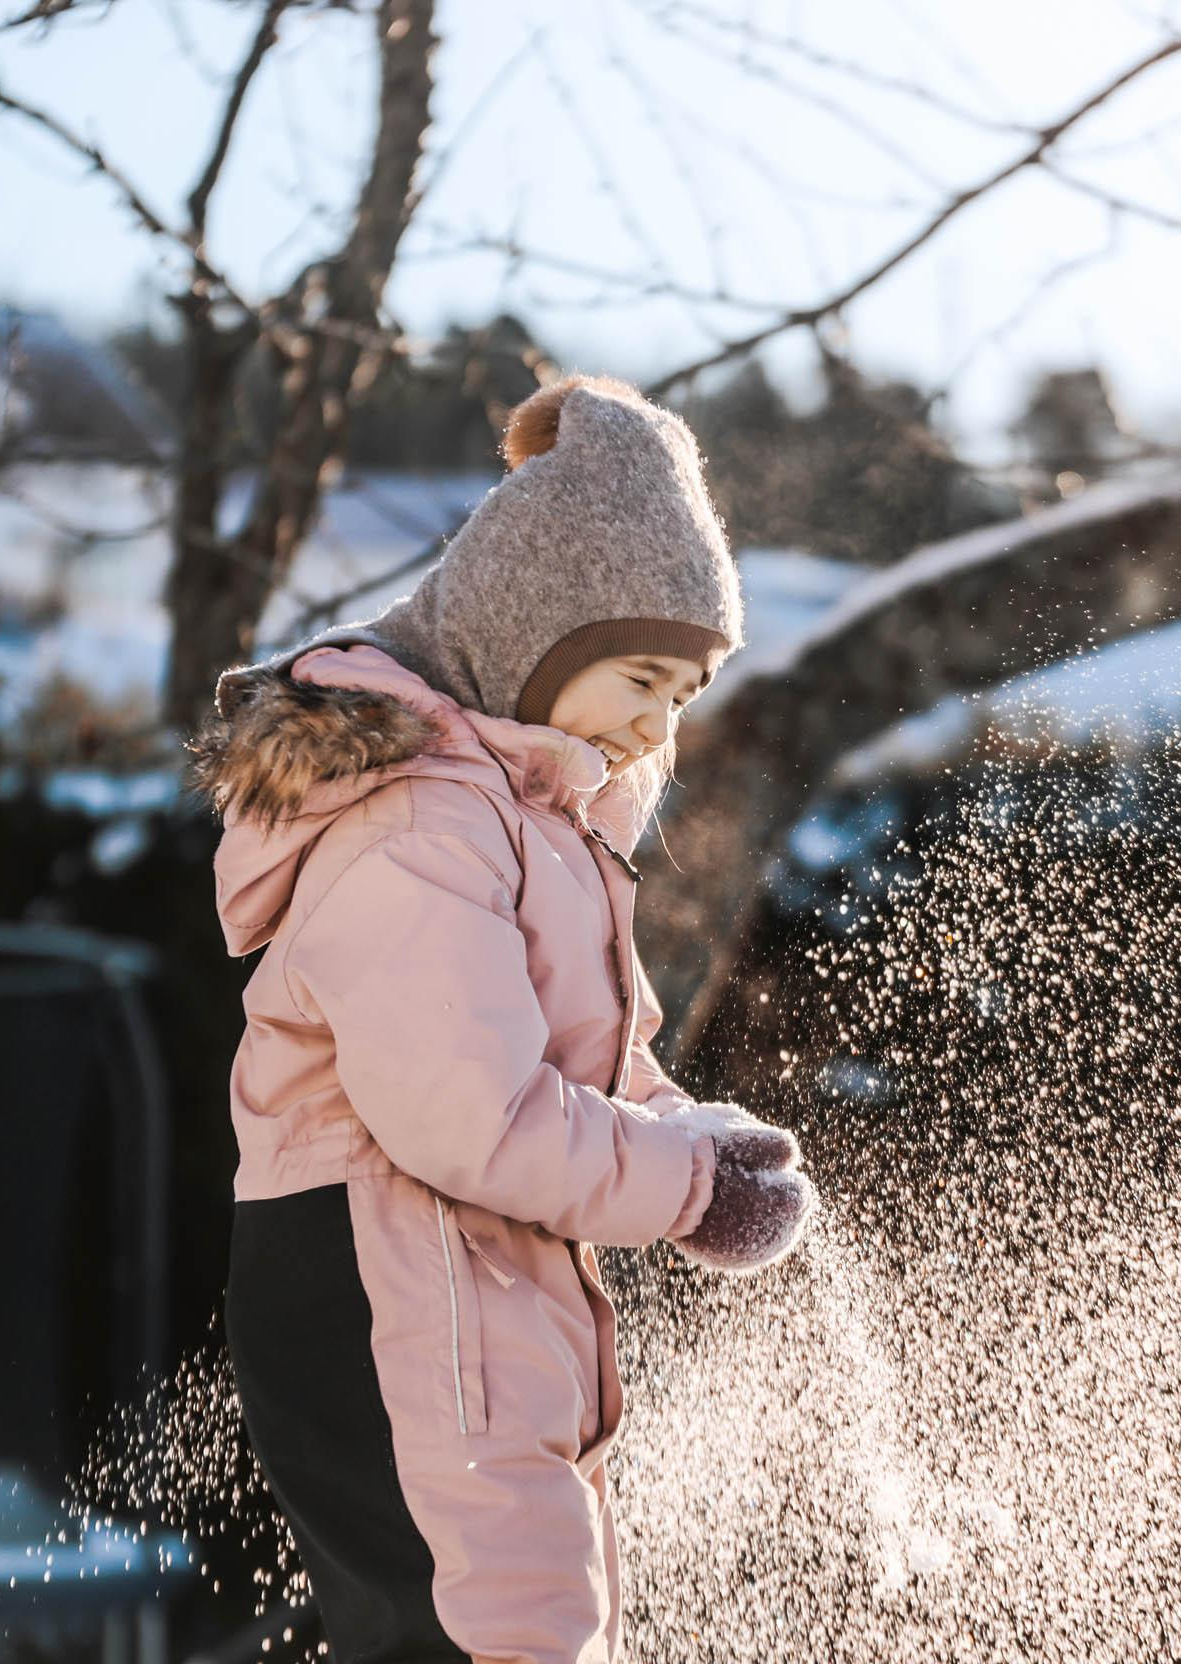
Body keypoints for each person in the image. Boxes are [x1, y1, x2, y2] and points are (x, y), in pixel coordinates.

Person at [193, 375, 817, 1664]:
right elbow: (473, 1117)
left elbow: (589, 1070)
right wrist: (690, 1189)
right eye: (642, 675)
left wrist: (692, 1136)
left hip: (470, 1281)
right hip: (389, 1275)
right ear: (537, 632)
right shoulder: (420, 826)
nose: (659, 723)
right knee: (490, 1636)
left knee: (533, 1616)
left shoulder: (536, 828)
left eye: (685, 693)